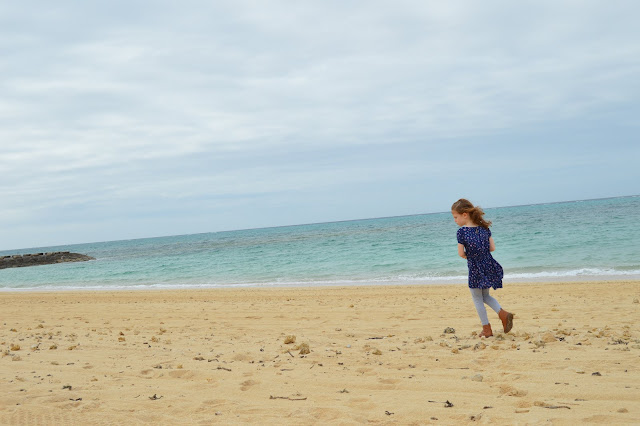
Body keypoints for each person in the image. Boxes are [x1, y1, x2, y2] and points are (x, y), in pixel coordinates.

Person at [451, 198, 513, 338]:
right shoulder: (485, 228)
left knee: (477, 298)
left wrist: (469, 255)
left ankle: (487, 329)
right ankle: (503, 314)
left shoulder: (462, 232)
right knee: (485, 295)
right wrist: (482, 252)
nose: (455, 220)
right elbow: (492, 248)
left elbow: (461, 253)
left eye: (455, 217)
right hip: (488, 265)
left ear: (465, 215)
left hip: (475, 267)